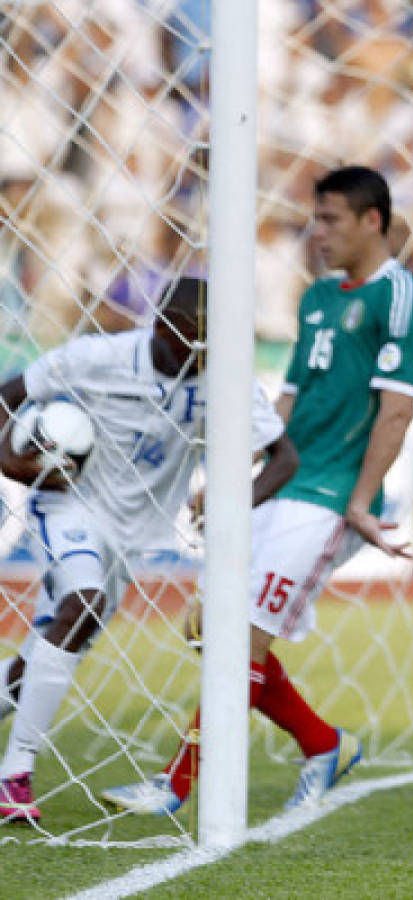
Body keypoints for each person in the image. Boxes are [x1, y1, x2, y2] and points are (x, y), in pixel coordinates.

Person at [102, 165, 413, 815]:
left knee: (244, 635)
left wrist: (361, 501)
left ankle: (174, 784)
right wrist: (237, 483)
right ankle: (323, 743)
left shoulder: (402, 300)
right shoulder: (318, 298)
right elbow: (287, 399)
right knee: (208, 627)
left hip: (328, 496)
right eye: (316, 218)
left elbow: (396, 411)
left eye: (331, 219)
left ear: (373, 221)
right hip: (285, 479)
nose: (317, 232)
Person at [0, 277, 299, 824]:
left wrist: (236, 505)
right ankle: (13, 775)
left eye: (213, 341)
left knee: (50, 652)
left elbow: (283, 458)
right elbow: (9, 393)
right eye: (194, 339)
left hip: (132, 536)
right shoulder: (100, 356)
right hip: (68, 503)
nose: (203, 353)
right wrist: (10, 461)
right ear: (162, 327)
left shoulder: (225, 379)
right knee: (82, 606)